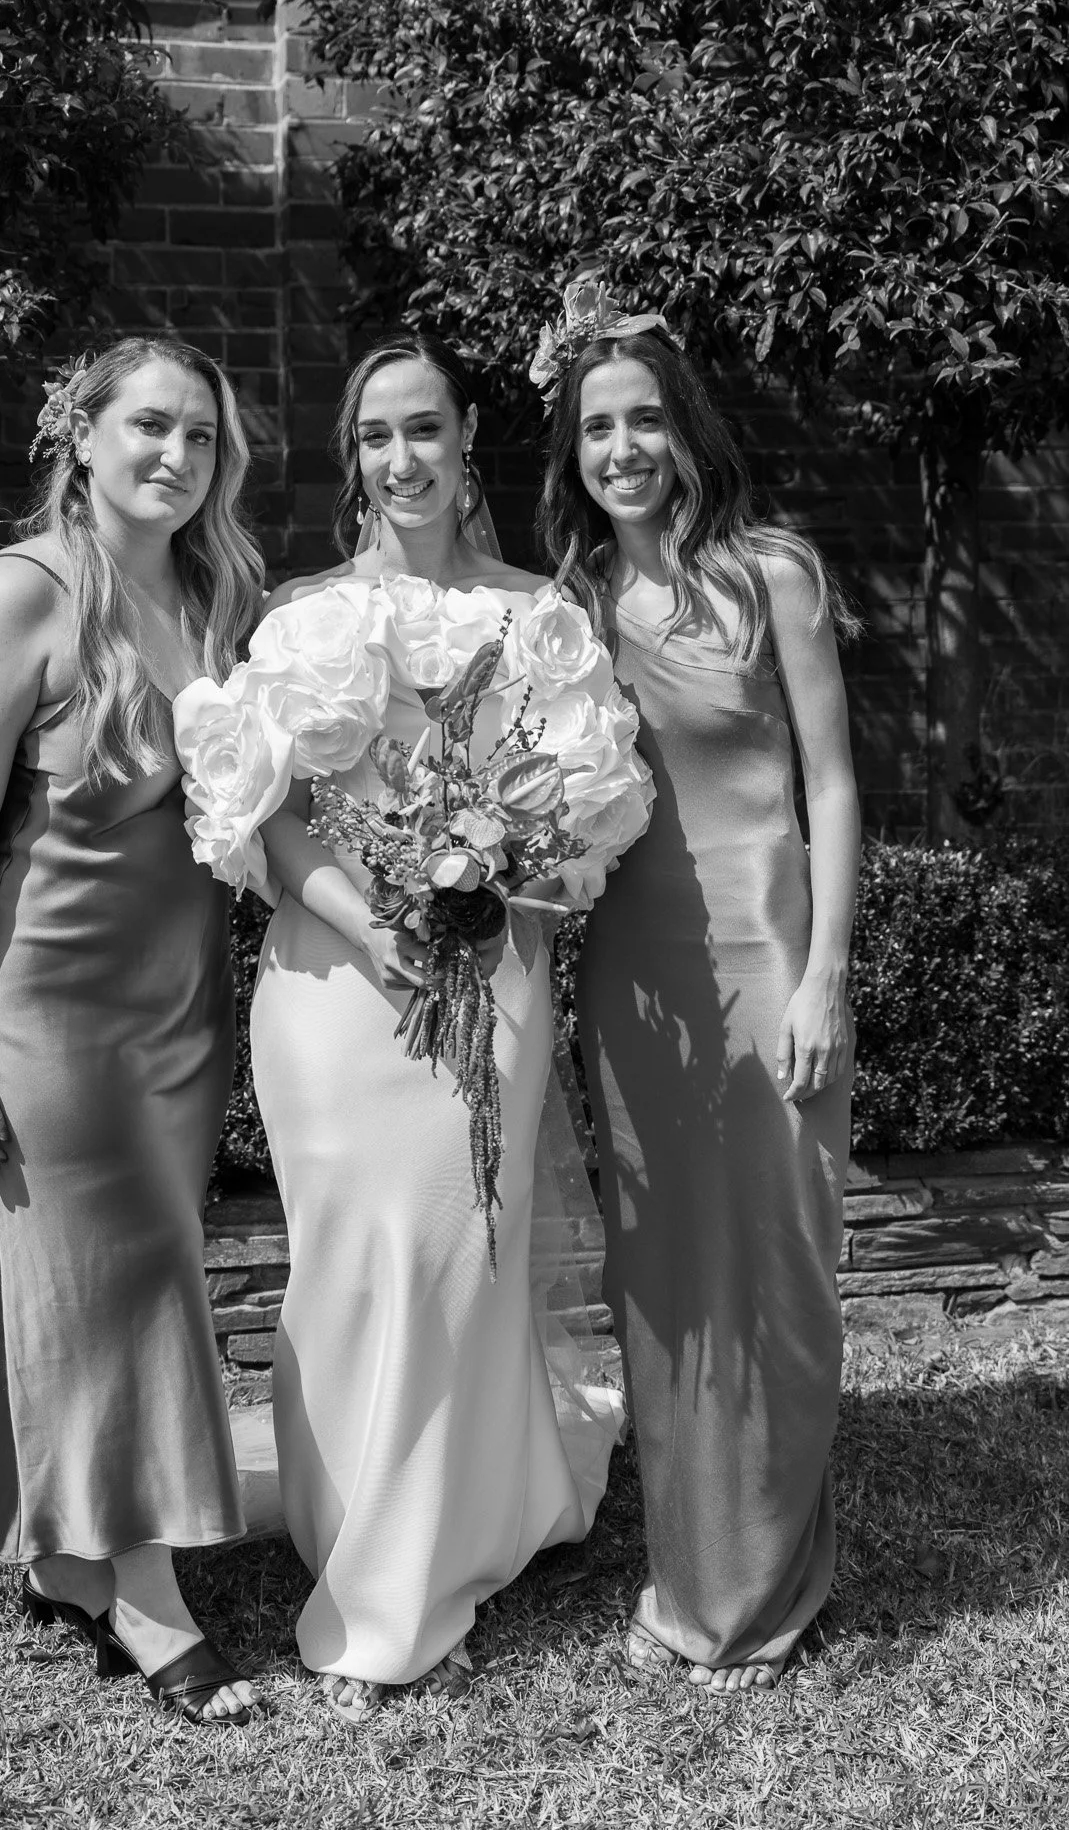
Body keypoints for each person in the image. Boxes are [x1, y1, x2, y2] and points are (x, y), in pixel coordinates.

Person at [233, 333, 625, 1722]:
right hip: (333, 988)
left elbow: (584, 821)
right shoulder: (303, 616)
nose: (401, 459)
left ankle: (404, 1590)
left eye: (424, 430)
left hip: (491, 981)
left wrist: (499, 863)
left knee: (460, 1256)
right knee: (352, 1263)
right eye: (374, 438)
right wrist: (375, 917)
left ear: (470, 443)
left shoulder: (543, 620)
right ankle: (348, 1519)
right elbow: (257, 816)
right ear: (356, 463)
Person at [0, 336, 265, 1727]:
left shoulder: (211, 591)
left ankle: (66, 1555)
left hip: (183, 1010)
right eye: (151, 428)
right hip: (49, 1013)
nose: (176, 457)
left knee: (135, 1274)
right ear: (85, 433)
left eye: (201, 438)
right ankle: (145, 1597)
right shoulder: (20, 596)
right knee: (111, 1293)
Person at [534, 279, 862, 1694]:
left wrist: (826, 978)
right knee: (664, 1274)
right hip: (635, 979)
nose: (622, 448)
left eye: (644, 419)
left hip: (765, 952)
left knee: (778, 1264)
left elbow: (834, 784)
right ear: (573, 451)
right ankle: (692, 1571)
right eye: (597, 426)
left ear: (686, 431)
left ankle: (771, 1584)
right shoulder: (570, 604)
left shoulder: (773, 573)